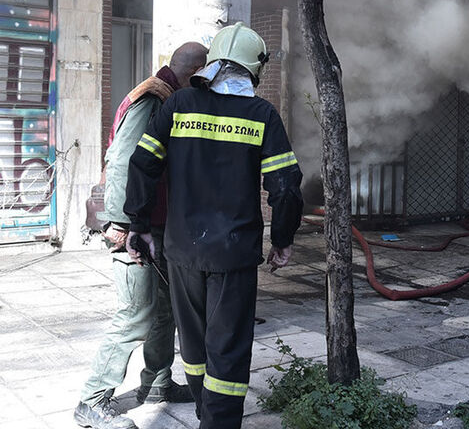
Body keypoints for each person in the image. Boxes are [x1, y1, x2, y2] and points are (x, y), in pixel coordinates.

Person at [123, 22, 303, 429]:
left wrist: (139, 225)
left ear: (214, 61)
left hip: (182, 251)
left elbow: (142, 164)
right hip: (233, 255)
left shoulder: (178, 104)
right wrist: (284, 238)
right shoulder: (262, 115)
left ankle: (206, 415)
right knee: (228, 350)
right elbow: (286, 186)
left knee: (194, 347)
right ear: (254, 68)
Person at [74, 42, 208, 429]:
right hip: (135, 227)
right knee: (136, 313)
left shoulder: (169, 95)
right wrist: (123, 224)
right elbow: (122, 161)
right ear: (195, 71)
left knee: (164, 311)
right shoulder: (154, 98)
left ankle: (157, 384)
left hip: (154, 226)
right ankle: (91, 400)